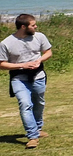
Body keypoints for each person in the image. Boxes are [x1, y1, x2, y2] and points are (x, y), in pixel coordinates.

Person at [0, 14, 52, 149]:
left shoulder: (40, 37)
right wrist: (22, 65)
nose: (36, 27)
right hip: (19, 79)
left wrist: (39, 60)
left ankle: (38, 128)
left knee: (39, 103)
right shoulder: (6, 43)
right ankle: (32, 136)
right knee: (25, 104)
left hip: (38, 76)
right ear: (23, 27)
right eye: (33, 25)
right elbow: (2, 64)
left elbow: (48, 52)